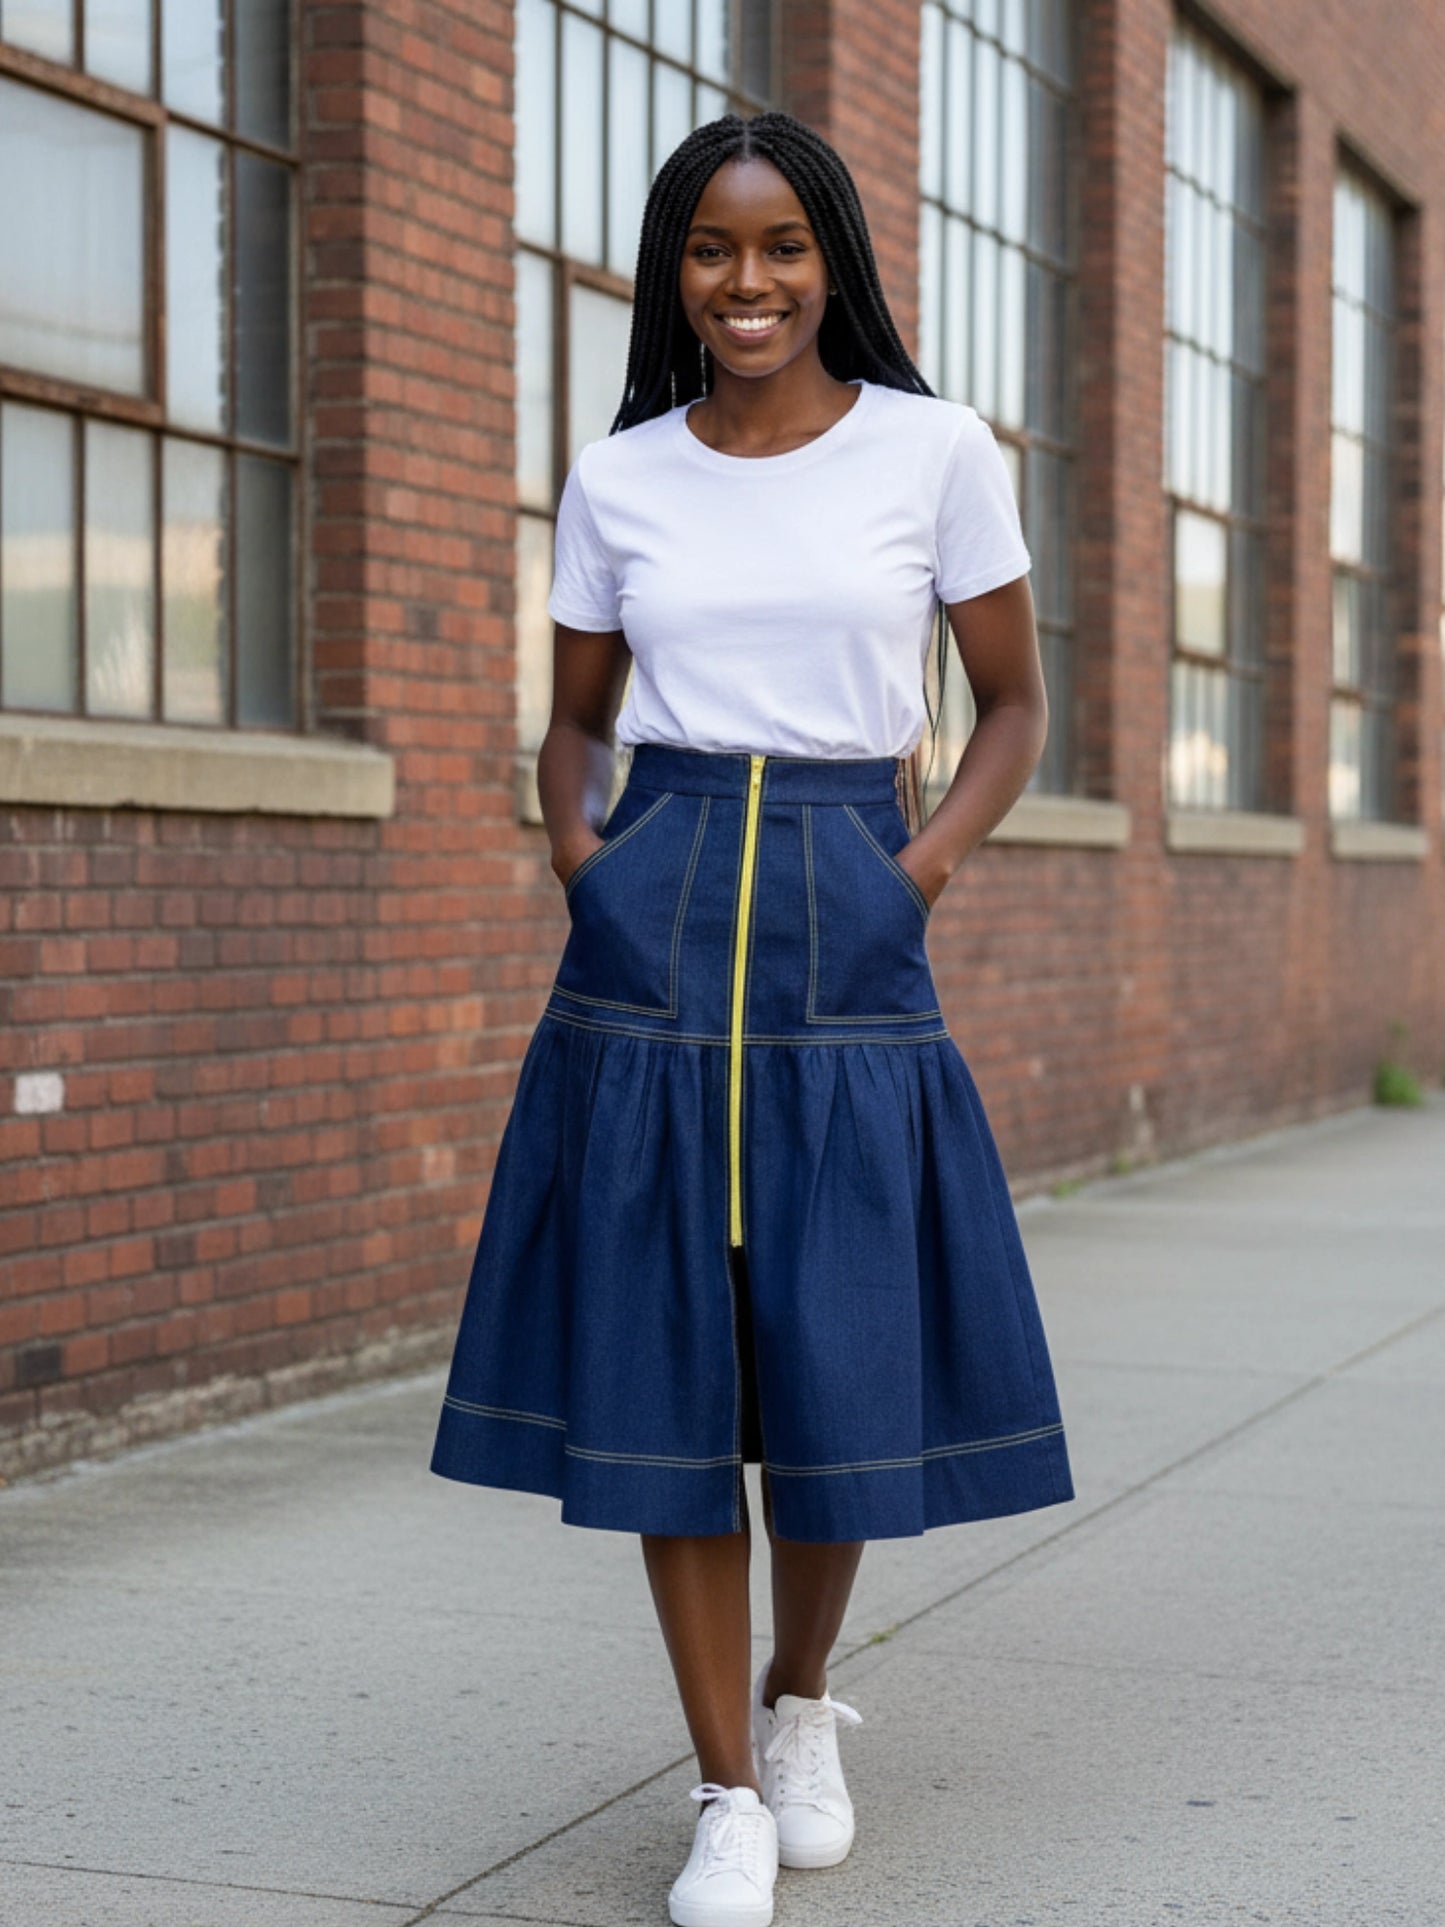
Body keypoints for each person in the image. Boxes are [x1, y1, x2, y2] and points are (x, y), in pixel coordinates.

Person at [430, 109, 1074, 1927]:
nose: (748, 282)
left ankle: (802, 1707)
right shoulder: (622, 474)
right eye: (712, 251)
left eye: (782, 246)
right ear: (672, 275)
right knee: (666, 1352)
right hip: (657, 899)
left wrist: (915, 872)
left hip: (848, 900)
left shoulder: (934, 452)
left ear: (834, 263)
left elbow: (1013, 705)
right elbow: (573, 715)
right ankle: (720, 1787)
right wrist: (583, 857)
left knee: (832, 1336)